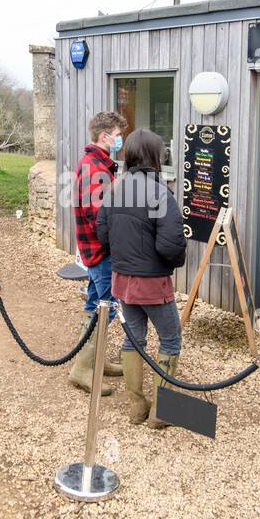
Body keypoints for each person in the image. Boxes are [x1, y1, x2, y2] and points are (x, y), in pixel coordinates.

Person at [96, 129, 187, 426]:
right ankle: (162, 412)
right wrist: (173, 263)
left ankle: (137, 405)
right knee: (170, 340)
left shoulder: (114, 189)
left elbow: (103, 235)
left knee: (133, 339)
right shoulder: (162, 193)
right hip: (153, 281)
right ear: (154, 156)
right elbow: (171, 245)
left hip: (122, 279)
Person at [68, 111, 128, 394]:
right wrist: (121, 243)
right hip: (101, 252)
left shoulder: (98, 164)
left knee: (95, 304)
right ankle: (82, 368)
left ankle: (93, 360)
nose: (120, 140)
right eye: (117, 135)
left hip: (95, 250)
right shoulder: (96, 169)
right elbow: (99, 217)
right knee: (107, 308)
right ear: (104, 137)